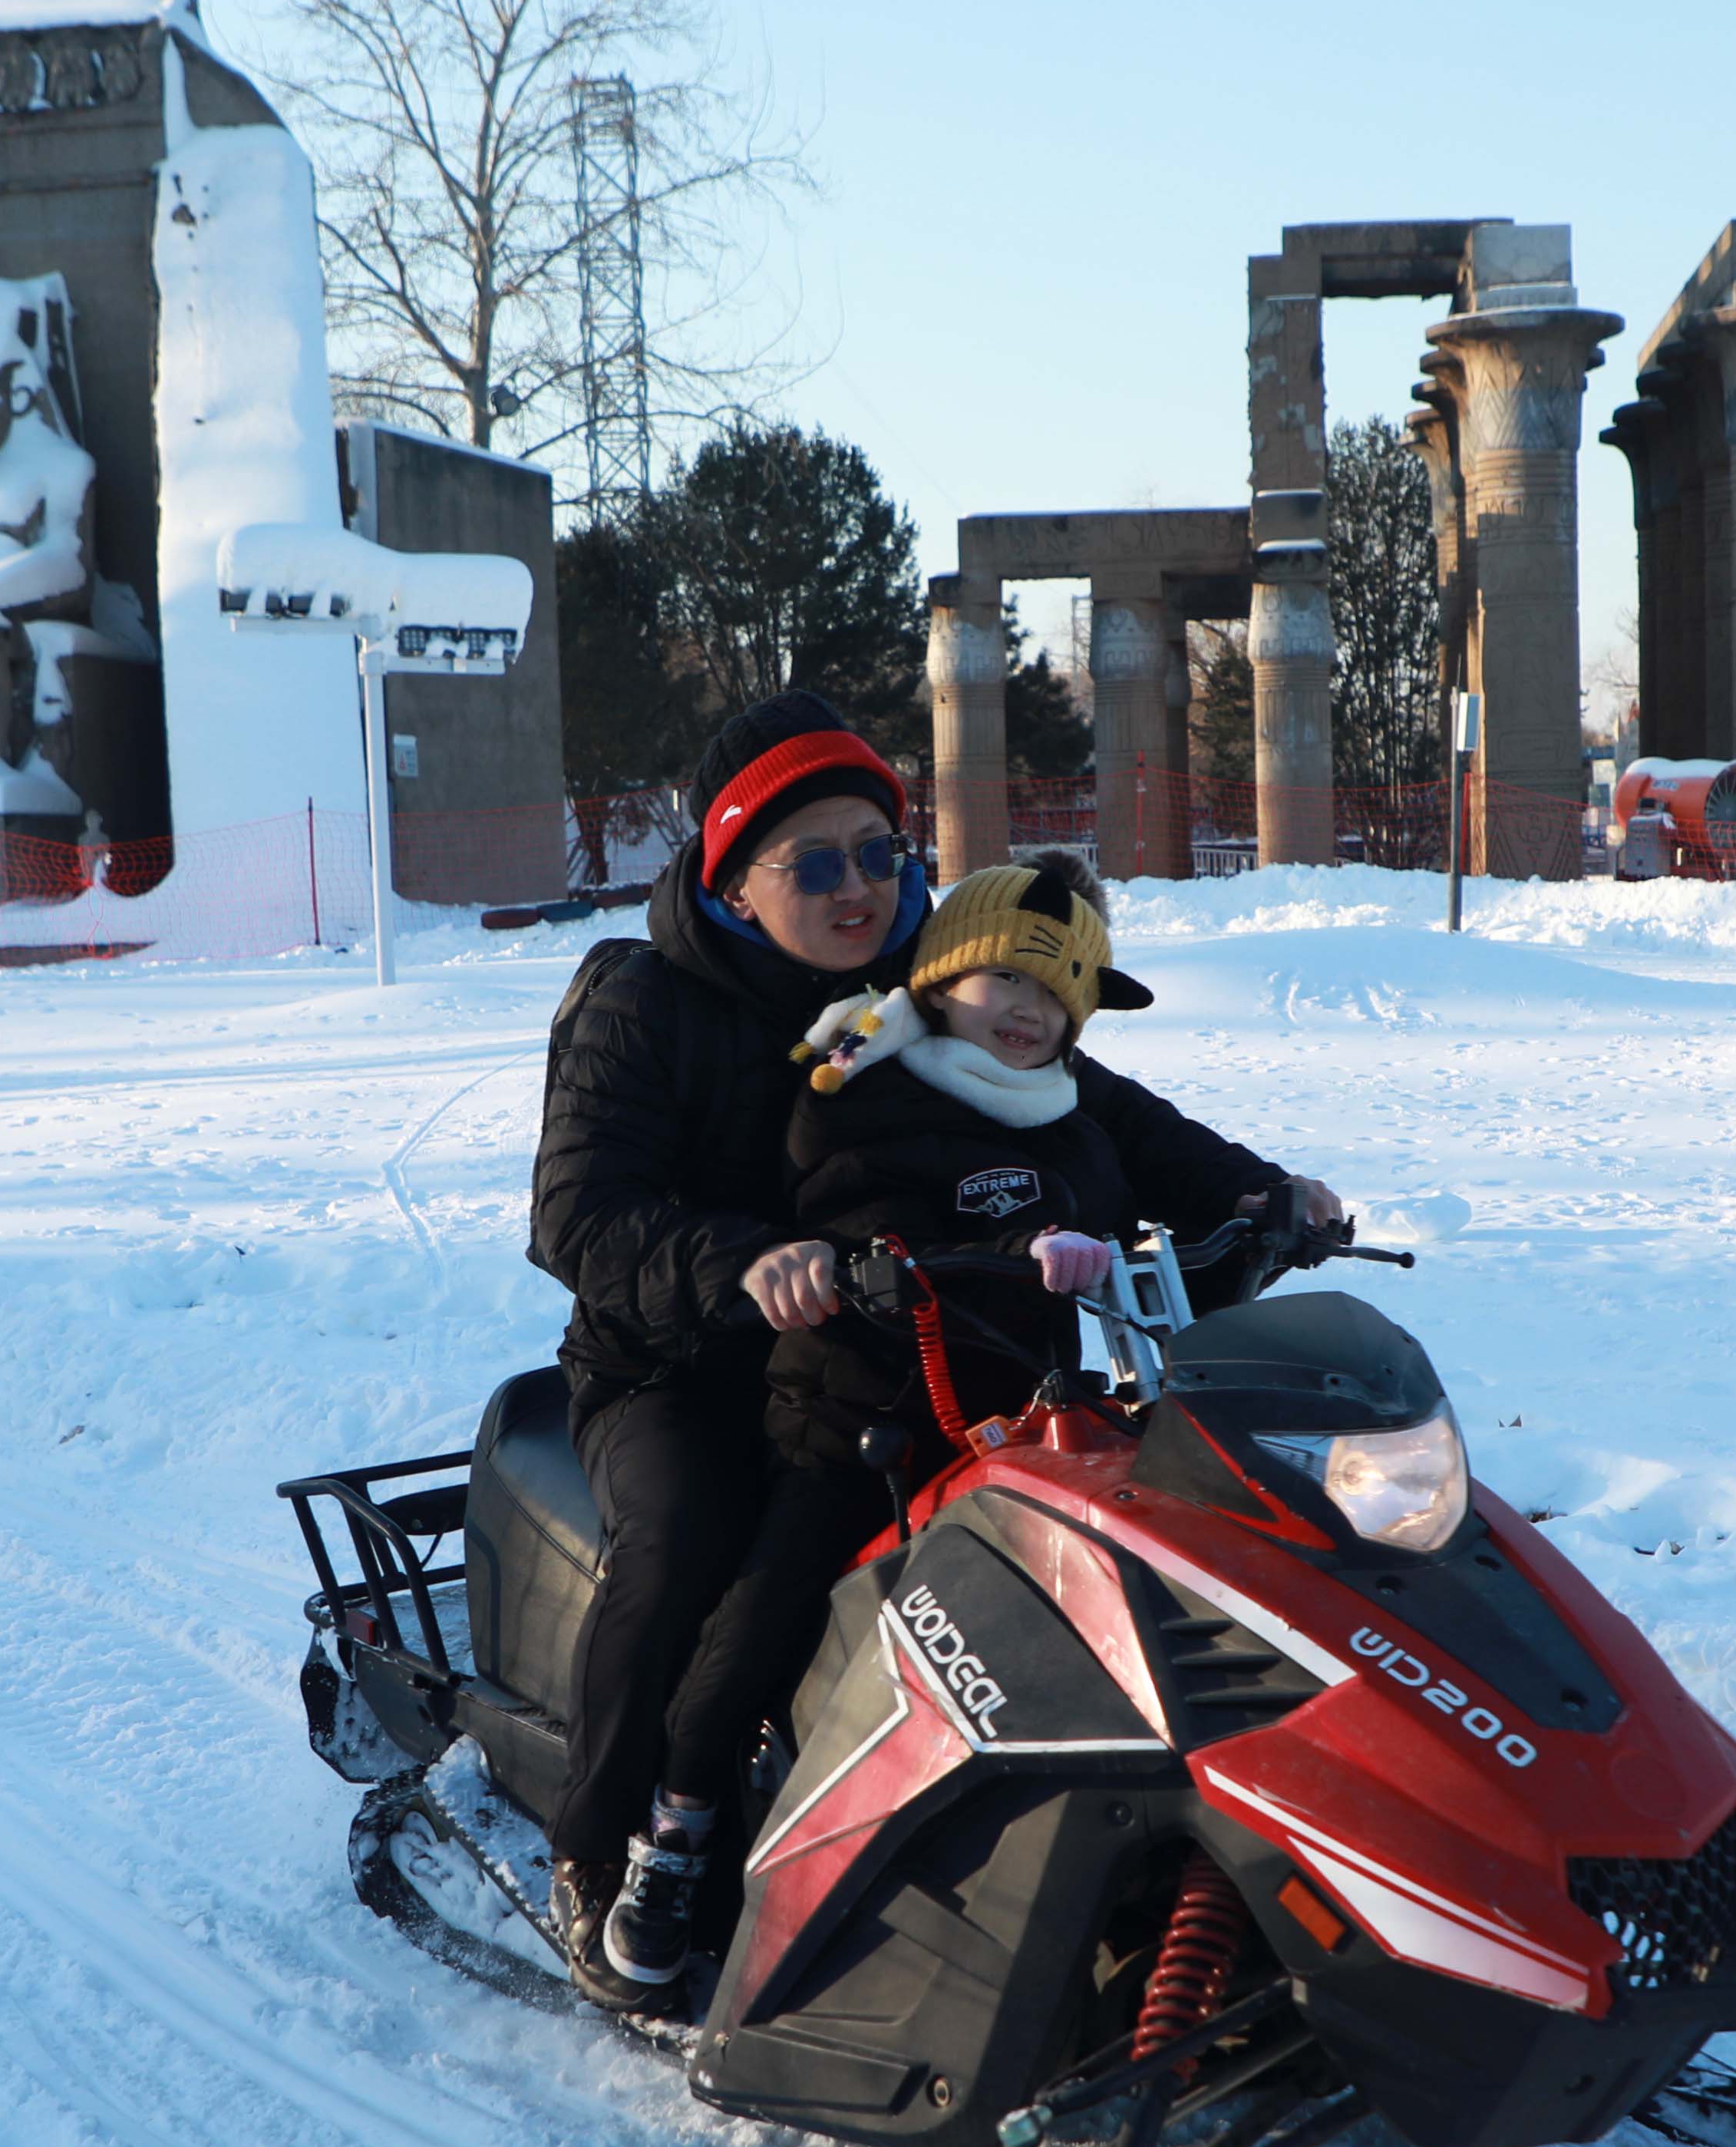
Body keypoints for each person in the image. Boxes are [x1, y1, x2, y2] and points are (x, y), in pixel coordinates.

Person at [526, 706, 1342, 2012]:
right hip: (679, 1362)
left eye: (881, 853)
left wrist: (1263, 1195)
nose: (862, 888)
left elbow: (1096, 1105)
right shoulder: (642, 999)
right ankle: (599, 1841)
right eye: (816, 864)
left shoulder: (929, 980)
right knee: (689, 1538)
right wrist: (742, 1262)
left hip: (910, 1351)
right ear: (737, 878)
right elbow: (579, 1215)